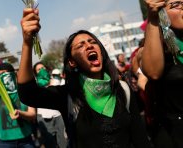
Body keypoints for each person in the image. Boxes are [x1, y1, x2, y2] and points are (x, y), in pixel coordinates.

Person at [17, 8, 151, 148]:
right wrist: (27, 42)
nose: (88, 46)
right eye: (80, 45)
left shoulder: (123, 90)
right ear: (72, 62)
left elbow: (141, 139)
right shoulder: (67, 95)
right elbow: (27, 94)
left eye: (92, 42)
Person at [142, 0, 183, 148]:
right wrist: (152, 16)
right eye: (177, 5)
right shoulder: (157, 49)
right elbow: (153, 73)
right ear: (162, 13)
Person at [32, 62, 67, 148]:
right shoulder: (35, 85)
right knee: (49, 143)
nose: (41, 70)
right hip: (44, 117)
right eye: (39, 69)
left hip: (59, 116)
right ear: (35, 73)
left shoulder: (56, 81)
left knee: (63, 142)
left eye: (43, 68)